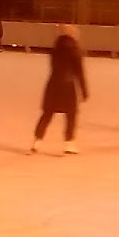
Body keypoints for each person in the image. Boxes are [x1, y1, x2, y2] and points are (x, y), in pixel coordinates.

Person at [31, 24, 88, 154]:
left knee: (47, 113)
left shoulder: (55, 48)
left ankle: (37, 141)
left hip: (53, 84)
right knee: (71, 115)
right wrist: (84, 91)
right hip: (68, 86)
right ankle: (69, 143)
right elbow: (79, 72)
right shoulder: (75, 50)